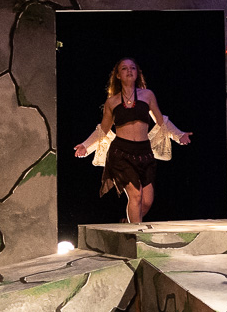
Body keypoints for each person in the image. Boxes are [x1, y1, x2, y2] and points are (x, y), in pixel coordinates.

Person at [74, 58, 191, 224]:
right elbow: (103, 130)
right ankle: (136, 233)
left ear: (137, 73)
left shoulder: (147, 95)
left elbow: (161, 121)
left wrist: (179, 135)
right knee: (135, 195)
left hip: (144, 153)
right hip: (121, 154)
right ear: (118, 75)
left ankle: (130, 226)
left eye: (132, 68)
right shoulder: (112, 102)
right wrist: (85, 146)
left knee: (147, 201)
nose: (129, 71)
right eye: (124, 68)